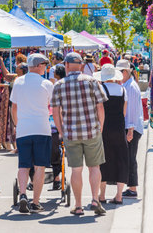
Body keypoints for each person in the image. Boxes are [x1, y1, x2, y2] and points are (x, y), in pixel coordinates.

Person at [51, 52, 107, 216]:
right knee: (94, 167)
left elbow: (55, 112)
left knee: (76, 170)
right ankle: (95, 200)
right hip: (92, 131)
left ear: (66, 65)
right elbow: (100, 107)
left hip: (71, 133)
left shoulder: (59, 85)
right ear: (81, 65)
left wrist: (61, 131)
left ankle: (78, 205)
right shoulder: (92, 82)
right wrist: (100, 127)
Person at [10, 54, 53, 213]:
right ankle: (35, 202)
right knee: (40, 165)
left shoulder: (18, 82)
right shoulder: (47, 84)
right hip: (42, 128)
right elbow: (51, 106)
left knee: (23, 164)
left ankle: (22, 194)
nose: (46, 67)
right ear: (37, 65)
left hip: (24, 128)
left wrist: (17, 124)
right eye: (44, 64)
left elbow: (14, 107)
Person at [93, 64, 128, 205]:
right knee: (121, 159)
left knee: (103, 160)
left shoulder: (101, 89)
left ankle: (102, 195)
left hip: (104, 128)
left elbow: (98, 110)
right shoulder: (123, 90)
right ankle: (119, 195)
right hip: (119, 127)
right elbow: (123, 112)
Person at [117, 60, 144, 198]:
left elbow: (132, 111)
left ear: (125, 72)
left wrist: (130, 130)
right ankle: (131, 186)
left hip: (132, 127)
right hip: (131, 126)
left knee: (131, 157)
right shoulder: (128, 85)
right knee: (129, 157)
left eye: (119, 72)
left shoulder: (131, 87)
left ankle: (132, 188)